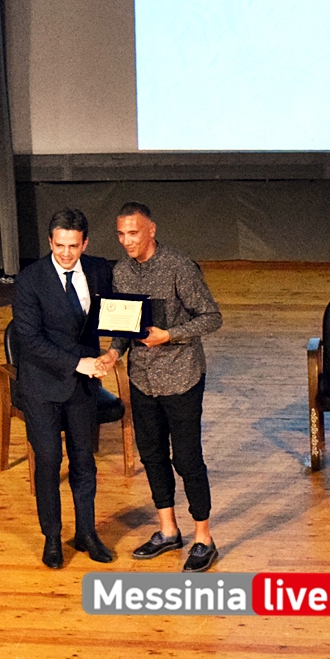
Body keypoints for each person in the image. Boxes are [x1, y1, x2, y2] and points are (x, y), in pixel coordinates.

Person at [109, 202, 224, 572]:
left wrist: (170, 335)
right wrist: (113, 353)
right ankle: (168, 530)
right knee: (152, 455)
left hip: (180, 377)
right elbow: (125, 326)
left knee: (187, 458)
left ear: (152, 230)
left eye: (133, 233)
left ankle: (203, 538)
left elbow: (212, 317)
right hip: (142, 379)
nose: (127, 241)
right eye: (121, 234)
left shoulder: (179, 267)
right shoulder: (121, 271)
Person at [10, 208, 118, 570]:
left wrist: (115, 351)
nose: (66, 253)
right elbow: (29, 340)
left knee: (84, 461)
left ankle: (87, 533)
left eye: (73, 246)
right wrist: (78, 363)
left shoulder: (100, 270)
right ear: (50, 242)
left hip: (82, 388)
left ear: (85, 243)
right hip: (42, 386)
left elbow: (121, 312)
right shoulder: (30, 280)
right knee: (49, 462)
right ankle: (53, 538)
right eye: (59, 245)